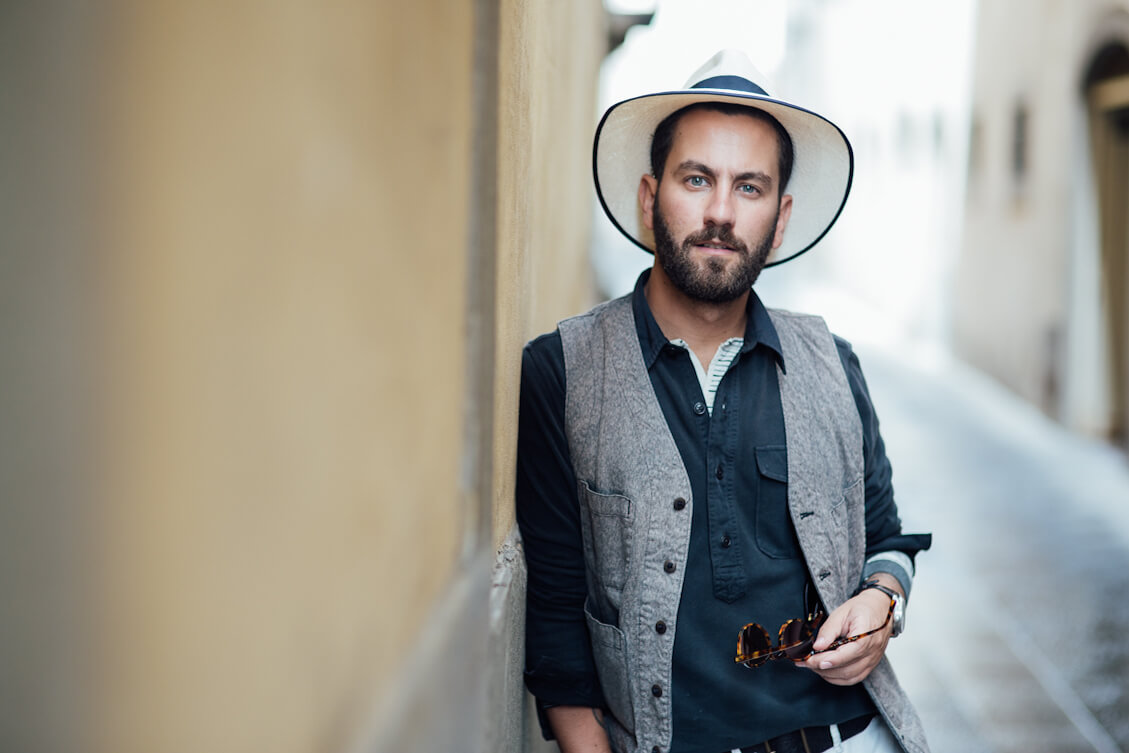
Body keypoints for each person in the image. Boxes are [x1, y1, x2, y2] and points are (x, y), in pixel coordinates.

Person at [515, 49, 932, 753]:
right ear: (650, 197)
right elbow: (556, 614)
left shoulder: (832, 362)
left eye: (749, 187)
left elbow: (887, 540)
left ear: (780, 217)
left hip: (837, 736)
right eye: (697, 178)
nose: (719, 212)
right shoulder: (564, 370)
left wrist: (882, 602)